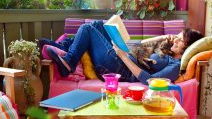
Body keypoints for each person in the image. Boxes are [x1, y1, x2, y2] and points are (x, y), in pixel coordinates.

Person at [39, 20, 203, 85]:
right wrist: (161, 38)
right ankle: (62, 48)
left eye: (180, 40)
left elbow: (150, 81)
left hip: (120, 68)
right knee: (97, 24)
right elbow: (137, 47)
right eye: (177, 37)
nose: (175, 40)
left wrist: (123, 56)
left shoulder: (173, 66)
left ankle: (68, 62)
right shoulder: (165, 51)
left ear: (187, 48)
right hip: (122, 57)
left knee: (87, 28)